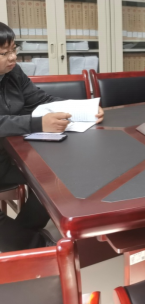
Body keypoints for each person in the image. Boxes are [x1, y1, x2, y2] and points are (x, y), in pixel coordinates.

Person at [0, 23, 104, 252]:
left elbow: (40, 99)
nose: (13, 57)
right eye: (4, 53)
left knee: (55, 178)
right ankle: (38, 246)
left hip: (11, 156)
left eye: (14, 49)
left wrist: (83, 109)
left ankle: (27, 231)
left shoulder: (13, 72)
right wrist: (37, 123)